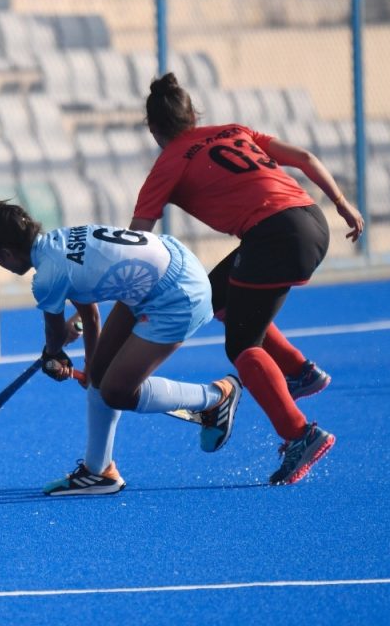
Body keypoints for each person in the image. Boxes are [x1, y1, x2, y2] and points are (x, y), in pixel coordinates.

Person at [128, 72, 365, 485]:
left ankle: (300, 434)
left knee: (241, 343)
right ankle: (299, 371)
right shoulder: (233, 131)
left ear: (153, 129)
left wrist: (120, 293)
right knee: (214, 297)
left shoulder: (166, 165)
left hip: (273, 236)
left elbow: (138, 240)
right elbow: (306, 158)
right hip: (311, 219)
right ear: (193, 115)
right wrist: (343, 204)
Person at [0, 198, 242, 497]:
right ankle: (99, 471)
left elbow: (54, 332)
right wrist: (90, 367)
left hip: (177, 294)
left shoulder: (48, 277)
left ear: (6, 253)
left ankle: (215, 398)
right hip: (171, 267)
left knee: (116, 391)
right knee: (100, 379)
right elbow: (89, 316)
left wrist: (53, 355)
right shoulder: (58, 242)